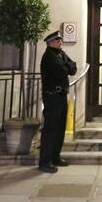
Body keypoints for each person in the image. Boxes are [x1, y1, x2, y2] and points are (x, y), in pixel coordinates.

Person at [38, 29, 77, 173]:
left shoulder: (60, 53)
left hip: (61, 96)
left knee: (60, 128)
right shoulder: (49, 56)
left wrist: (67, 67)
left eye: (60, 40)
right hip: (52, 96)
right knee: (50, 129)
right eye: (58, 41)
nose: (60, 42)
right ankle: (45, 161)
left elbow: (73, 67)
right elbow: (61, 72)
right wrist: (67, 67)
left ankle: (55, 157)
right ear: (51, 43)